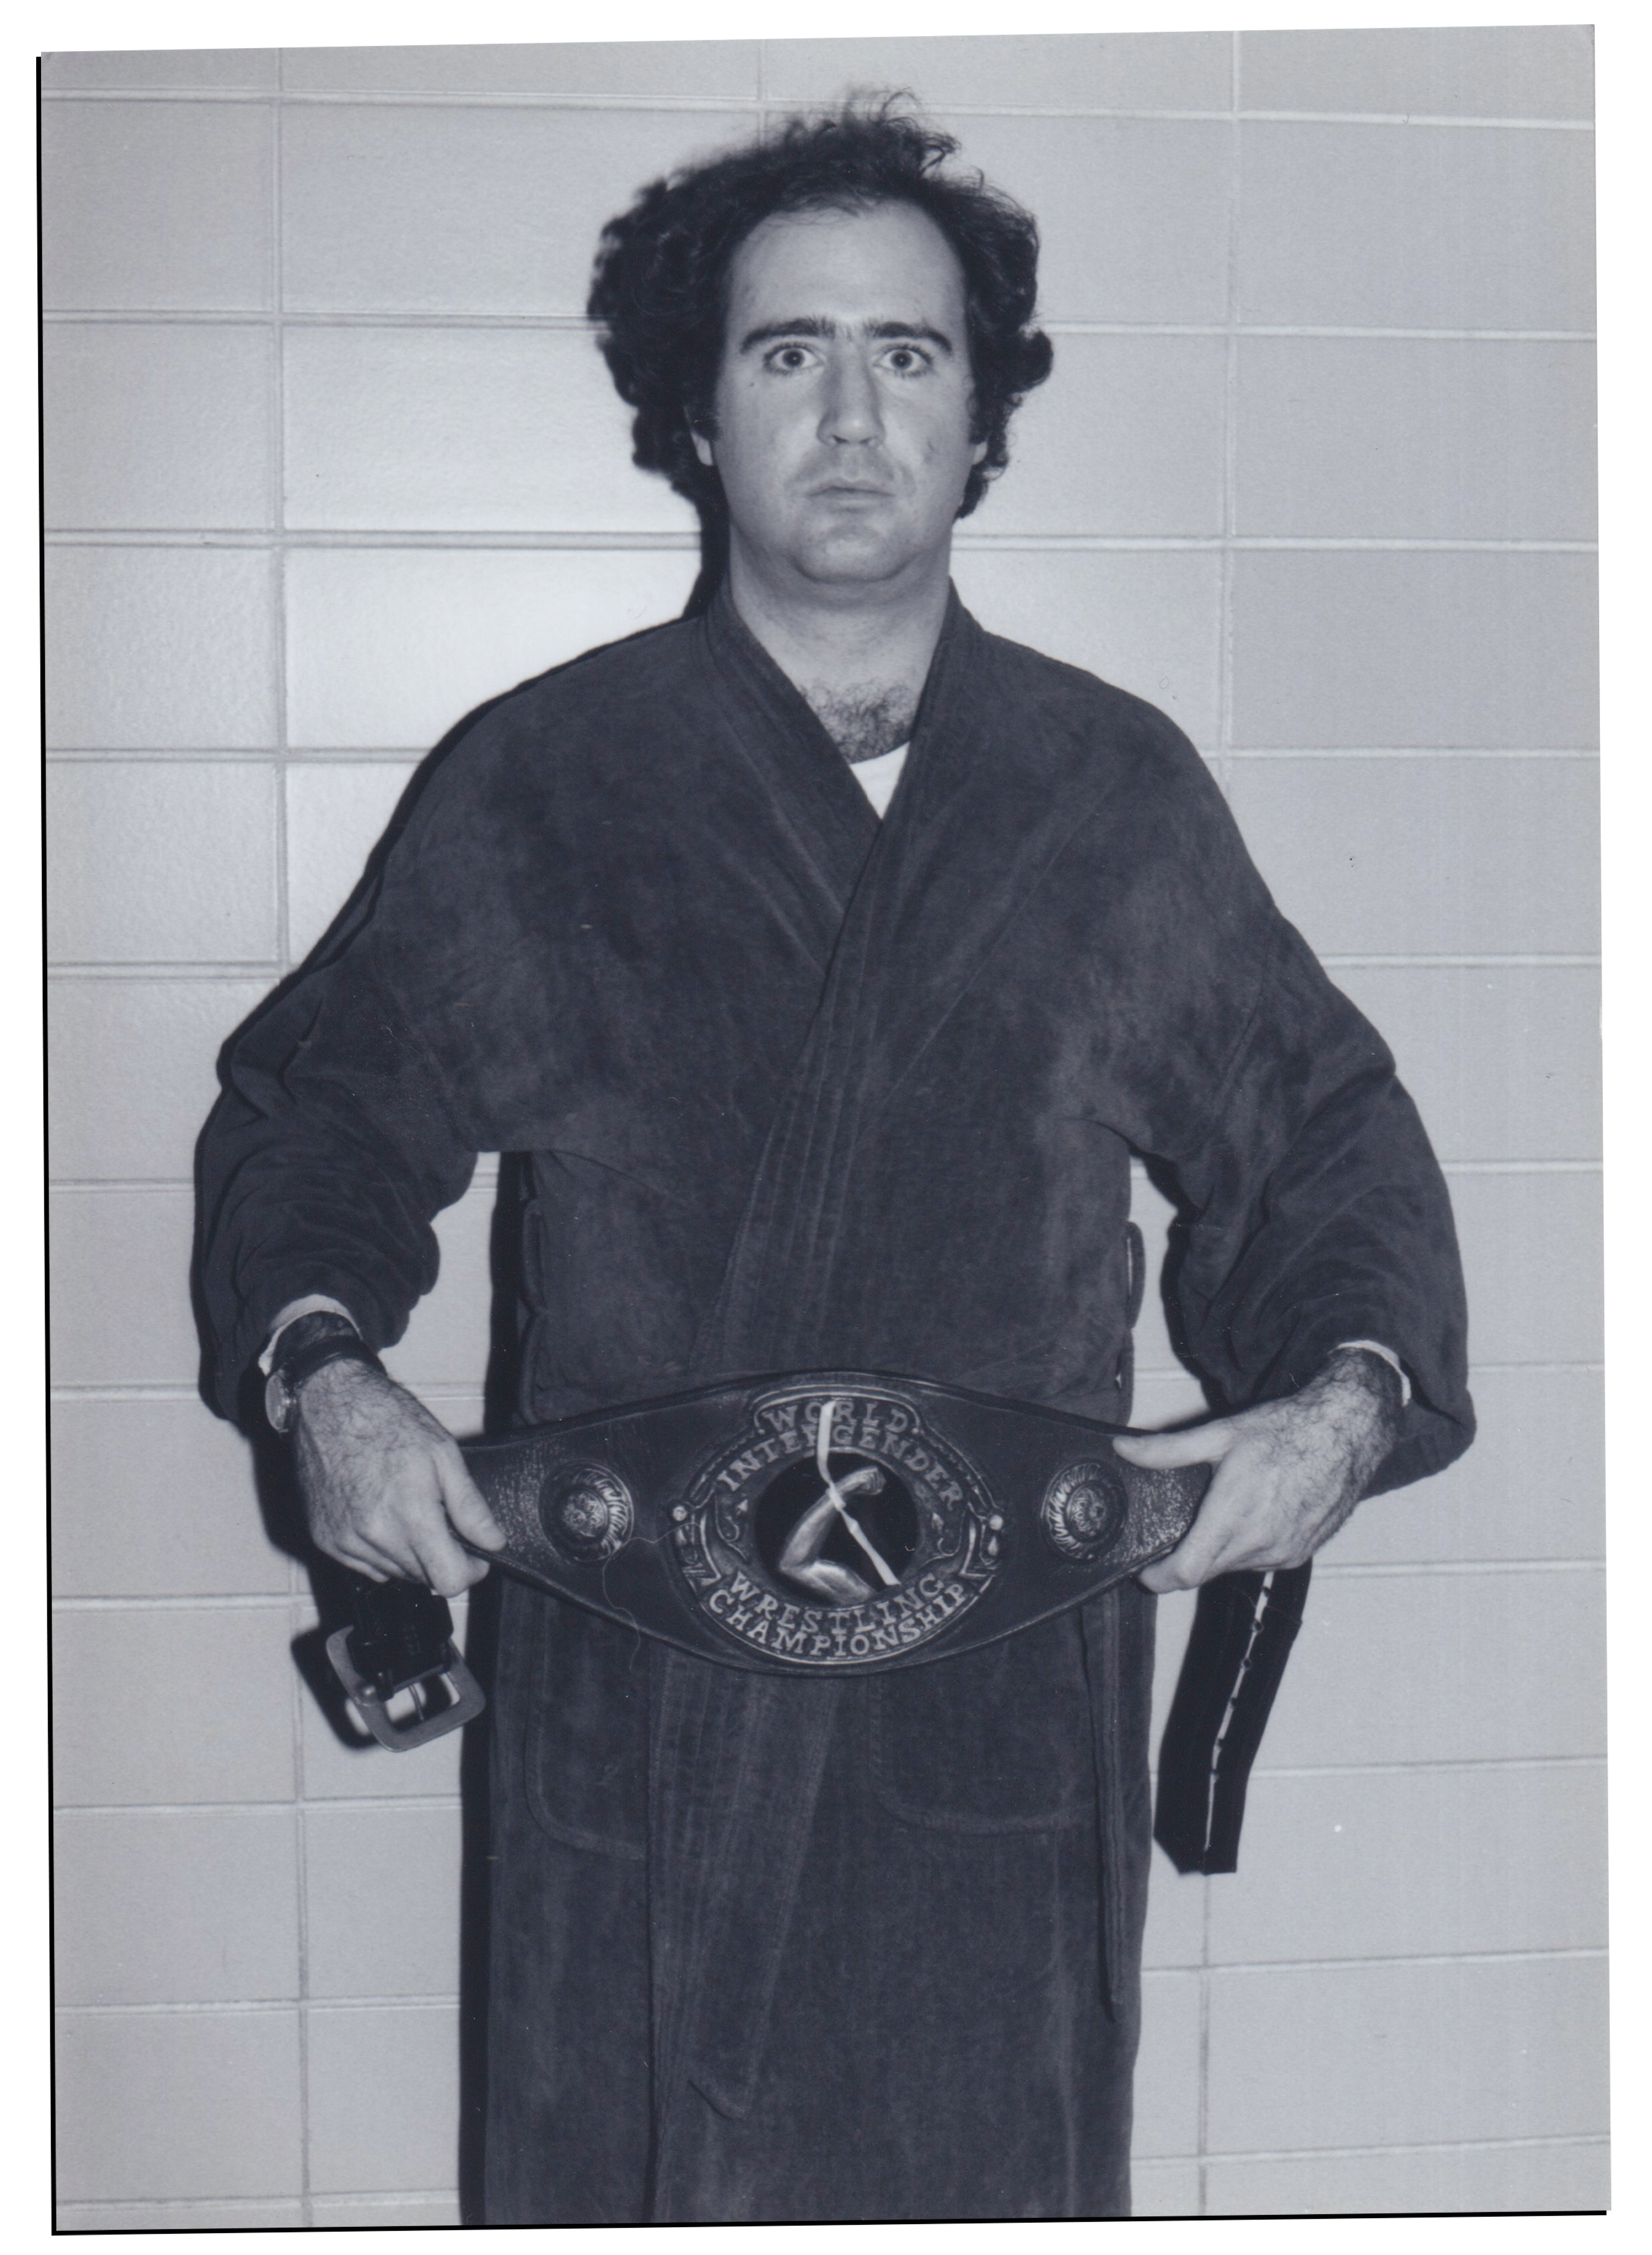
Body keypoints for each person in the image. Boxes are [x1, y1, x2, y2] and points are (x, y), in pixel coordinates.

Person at [196, 100, 1473, 2223]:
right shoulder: (543, 786)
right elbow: (319, 1117)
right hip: (637, 1710)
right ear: (697, 410)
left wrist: (1339, 1406)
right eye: (790, 353)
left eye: (913, 351)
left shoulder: (1108, 798)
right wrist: (323, 1370)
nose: (856, 412)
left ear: (986, 416)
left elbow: (1320, 1132)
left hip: (992, 1726)